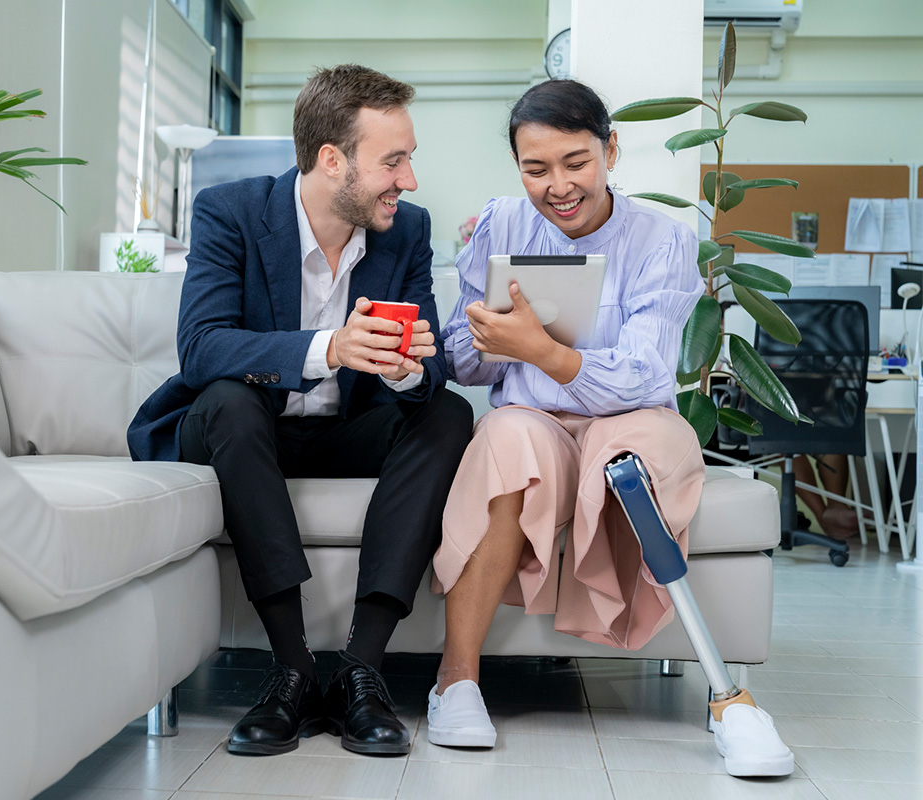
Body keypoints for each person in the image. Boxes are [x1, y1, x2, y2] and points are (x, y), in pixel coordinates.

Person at [425, 79, 795, 777]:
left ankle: (727, 698)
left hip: (632, 415)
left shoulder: (663, 238)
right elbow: (463, 364)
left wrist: (546, 351)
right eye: (536, 169)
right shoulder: (500, 223)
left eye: (576, 162)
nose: (558, 186)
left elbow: (646, 372)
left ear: (610, 150)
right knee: (506, 442)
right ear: (517, 168)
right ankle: (456, 680)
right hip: (531, 416)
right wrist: (481, 340)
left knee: (628, 460)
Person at [127, 64, 473, 757]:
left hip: (345, 428)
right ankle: (292, 670)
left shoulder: (406, 231)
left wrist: (409, 374)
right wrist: (331, 348)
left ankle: (361, 671)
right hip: (241, 429)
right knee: (228, 399)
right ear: (331, 160)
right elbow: (203, 347)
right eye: (393, 161)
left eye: (409, 161)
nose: (408, 180)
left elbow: (431, 367)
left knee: (449, 414)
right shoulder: (232, 212)